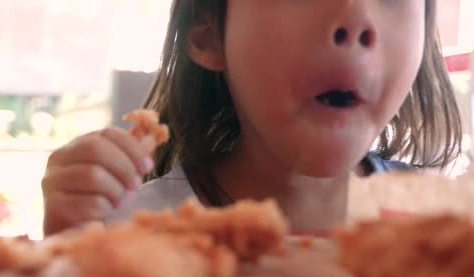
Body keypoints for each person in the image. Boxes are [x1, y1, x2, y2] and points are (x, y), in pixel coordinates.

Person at [42, 0, 462, 235]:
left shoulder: (446, 225)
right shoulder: (131, 230)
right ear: (208, 33)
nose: (356, 20)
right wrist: (70, 253)